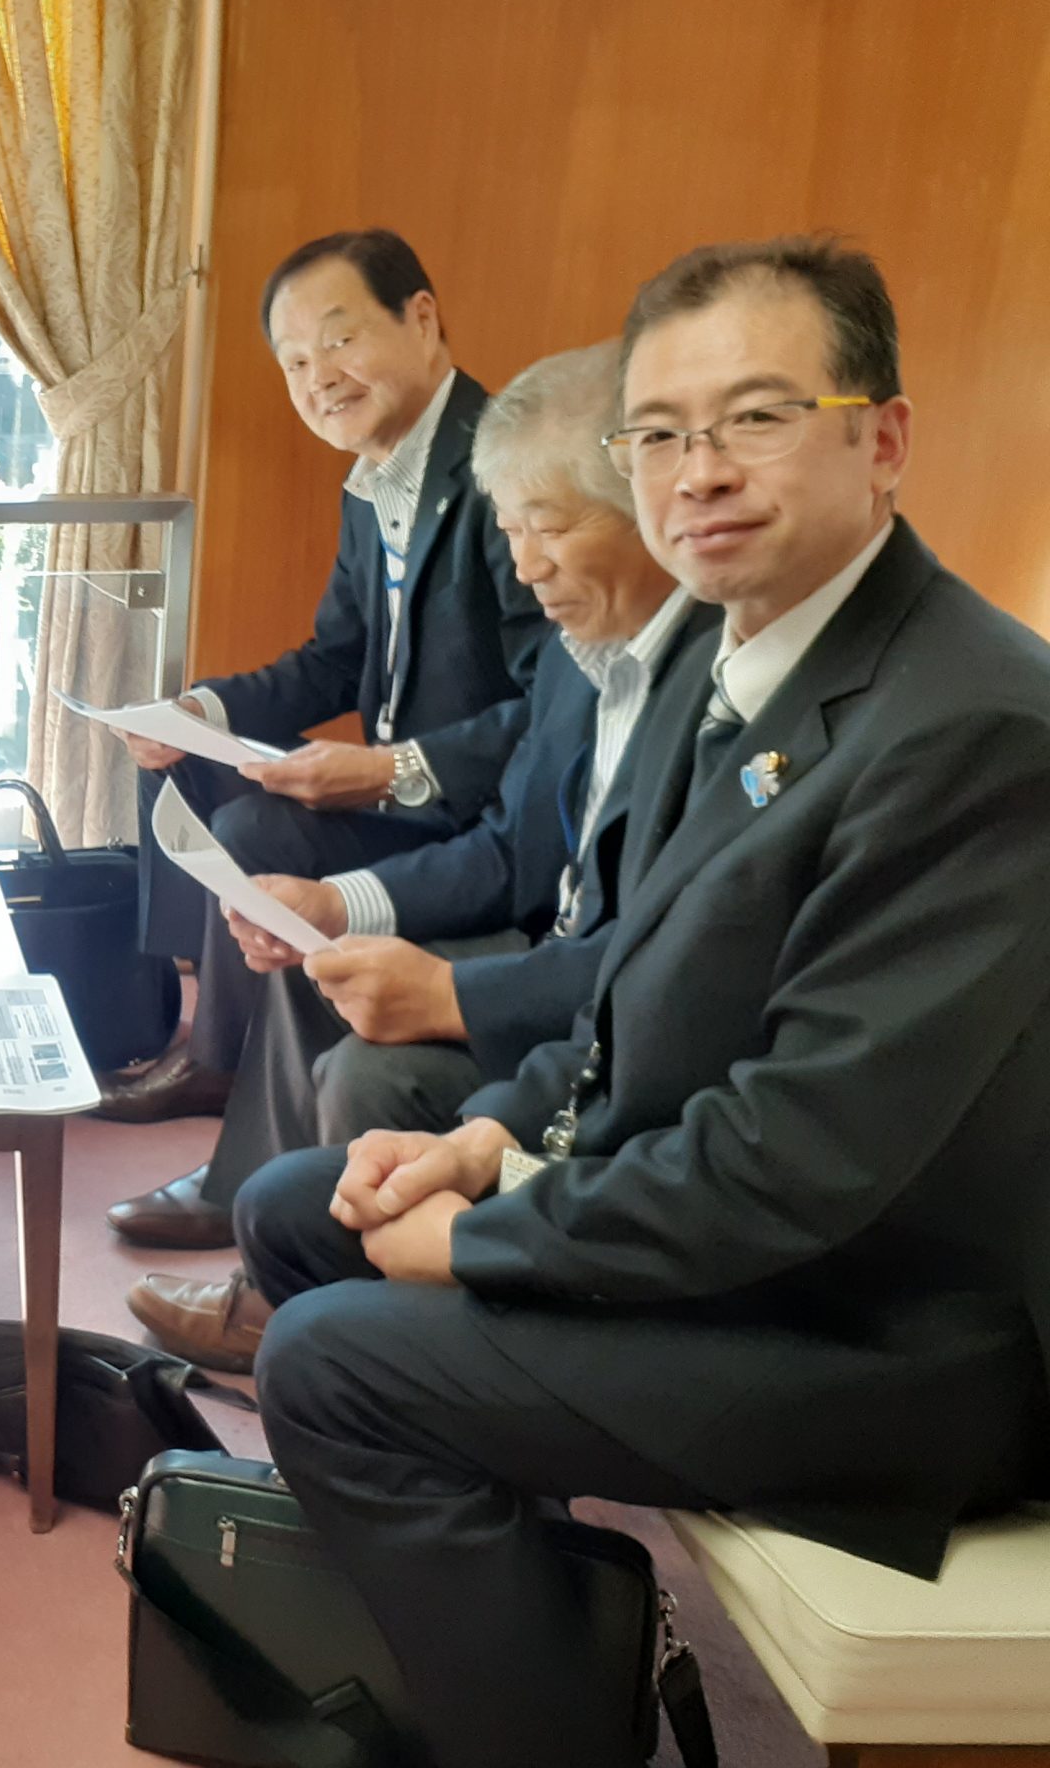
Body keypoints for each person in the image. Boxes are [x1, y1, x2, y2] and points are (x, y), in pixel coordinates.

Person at [234, 238, 1050, 1768]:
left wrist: (484, 1234)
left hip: (879, 1339)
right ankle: (535, 1665)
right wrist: (483, 1140)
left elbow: (793, 1158)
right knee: (300, 1211)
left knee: (330, 1365)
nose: (700, 471)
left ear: (882, 439)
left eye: (759, 417)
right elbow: (623, 999)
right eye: (660, 433)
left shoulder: (977, 725)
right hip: (753, 1259)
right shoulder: (719, 659)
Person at [118, 343, 712, 1370]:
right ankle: (289, 1281)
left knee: (372, 1071)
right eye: (512, 532)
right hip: (548, 948)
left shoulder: (714, 690)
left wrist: (449, 994)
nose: (526, 566)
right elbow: (511, 851)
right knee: (319, 947)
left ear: (654, 503)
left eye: (550, 528)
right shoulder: (579, 661)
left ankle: (360, 1342)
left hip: (591, 1000)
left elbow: (662, 967)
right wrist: (337, 905)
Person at [100, 230, 547, 1125]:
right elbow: (338, 659)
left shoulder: (507, 468)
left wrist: (388, 769)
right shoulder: (375, 481)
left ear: (422, 319)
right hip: (411, 795)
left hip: (486, 814)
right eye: (296, 361)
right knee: (189, 761)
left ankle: (224, 1070)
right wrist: (200, 710)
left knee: (256, 829)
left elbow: (561, 710)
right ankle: (202, 1028)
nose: (320, 378)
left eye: (340, 341)